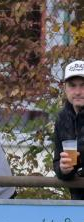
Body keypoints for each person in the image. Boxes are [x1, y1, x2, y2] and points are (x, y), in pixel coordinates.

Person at [53, 60, 84, 199]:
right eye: (72, 86)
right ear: (65, 88)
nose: (78, 92)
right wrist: (63, 170)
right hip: (77, 197)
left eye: (83, 85)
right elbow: (57, 162)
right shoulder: (62, 118)